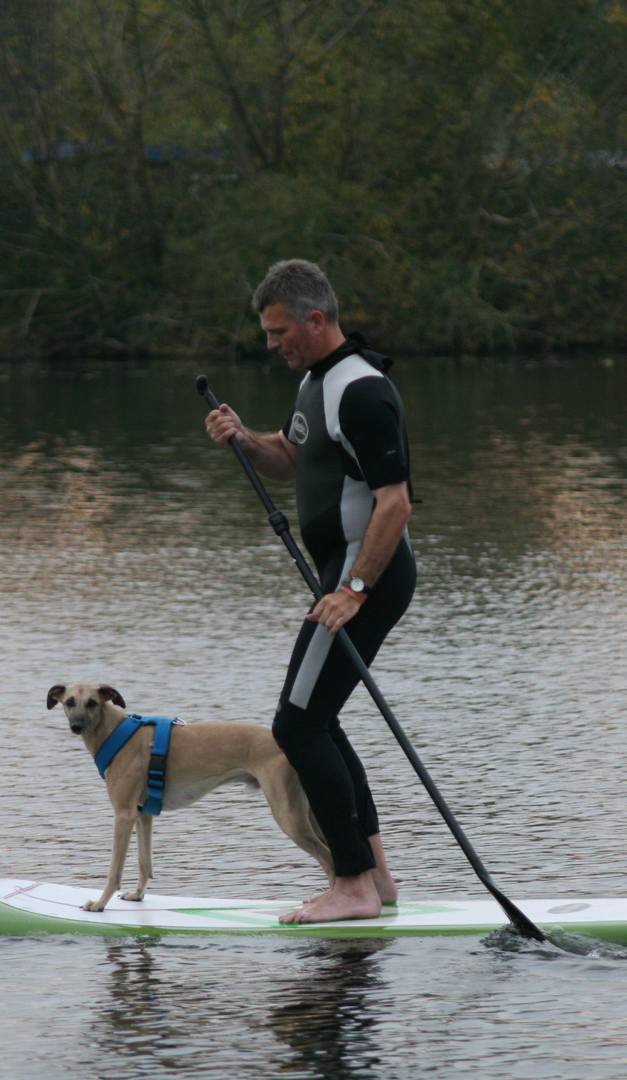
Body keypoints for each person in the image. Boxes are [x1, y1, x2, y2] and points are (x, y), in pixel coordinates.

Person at [204, 259, 415, 924]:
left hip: (367, 574)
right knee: (316, 720)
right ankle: (374, 880)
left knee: (296, 725)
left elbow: (395, 503)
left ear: (315, 320)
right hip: (343, 573)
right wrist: (243, 439)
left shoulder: (362, 391)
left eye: (277, 331)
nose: (271, 344)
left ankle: (351, 886)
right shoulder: (314, 385)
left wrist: (354, 588)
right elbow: (295, 458)